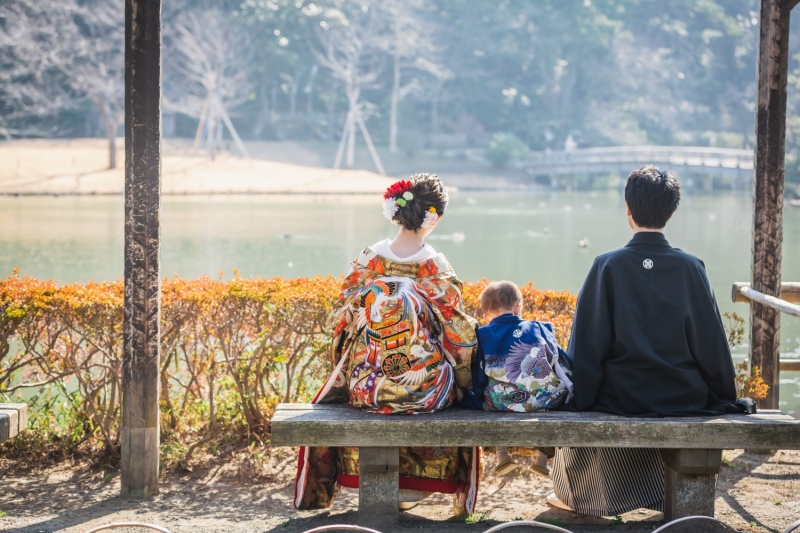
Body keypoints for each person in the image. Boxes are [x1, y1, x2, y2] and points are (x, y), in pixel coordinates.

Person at [549, 165, 737, 516]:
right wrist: (726, 396)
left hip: (621, 396)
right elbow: (711, 346)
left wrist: (582, 399)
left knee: (582, 416)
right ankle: (657, 496)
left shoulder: (606, 266)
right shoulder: (691, 267)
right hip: (683, 396)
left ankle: (598, 497)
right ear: (671, 212)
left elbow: (587, 347)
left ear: (628, 209)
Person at [294, 173, 480, 516]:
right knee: (449, 380)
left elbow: (341, 326)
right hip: (424, 394)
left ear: (396, 212)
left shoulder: (369, 261)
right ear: (434, 218)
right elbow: (459, 338)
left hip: (368, 390)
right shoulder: (436, 269)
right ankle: (418, 486)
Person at [461, 280, 573, 478]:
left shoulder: (483, 334)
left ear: (486, 316)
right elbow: (560, 362)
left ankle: (502, 457)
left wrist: (475, 397)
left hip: (501, 402)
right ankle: (541, 461)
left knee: (494, 398)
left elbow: (479, 375)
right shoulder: (539, 328)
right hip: (541, 401)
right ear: (518, 307)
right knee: (546, 397)